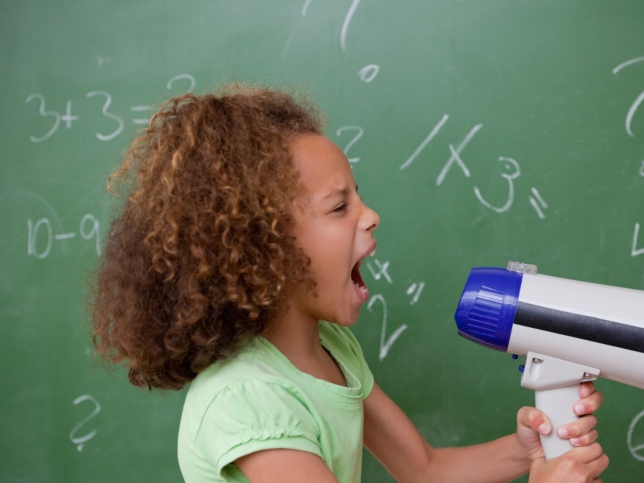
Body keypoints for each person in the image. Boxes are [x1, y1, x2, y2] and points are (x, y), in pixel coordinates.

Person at [90, 84, 609, 483]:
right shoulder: (248, 402)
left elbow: (424, 469)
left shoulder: (333, 349)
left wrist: (528, 450)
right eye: (340, 207)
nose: (371, 216)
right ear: (263, 246)